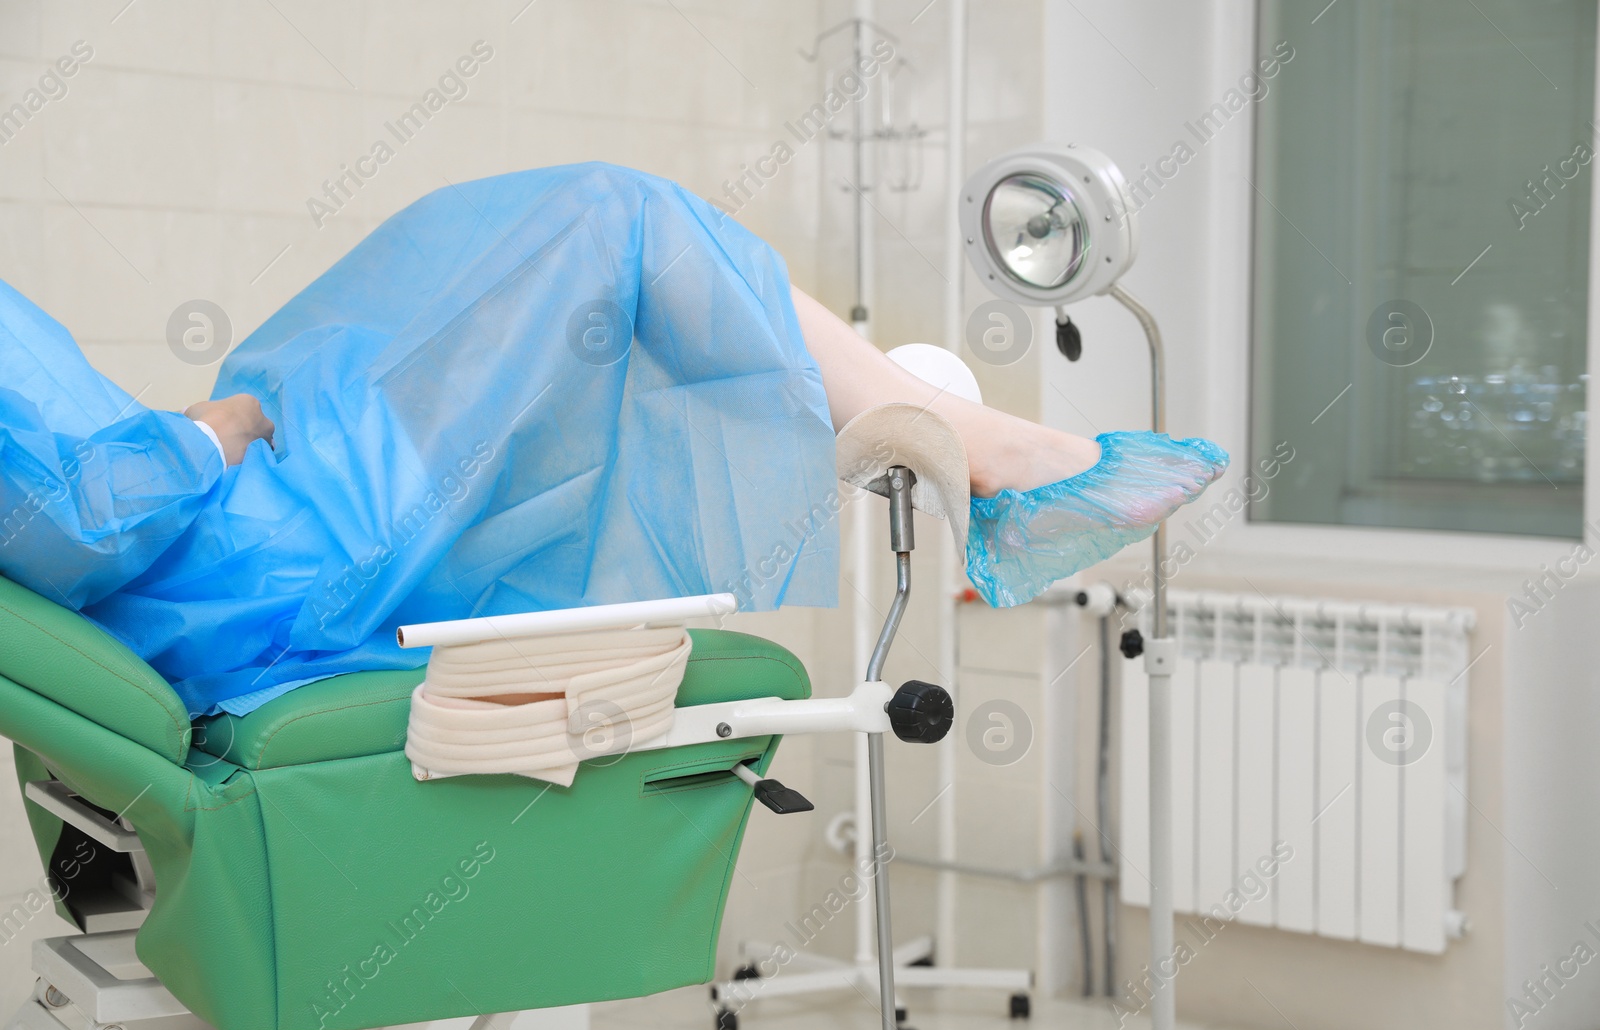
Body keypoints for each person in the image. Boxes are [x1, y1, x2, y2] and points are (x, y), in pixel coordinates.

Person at [0, 163, 1223, 716]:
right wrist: (210, 434)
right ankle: (973, 449)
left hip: (242, 554)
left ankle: (946, 435)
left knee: (590, 250)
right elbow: (79, 515)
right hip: (264, 550)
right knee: (612, 222)